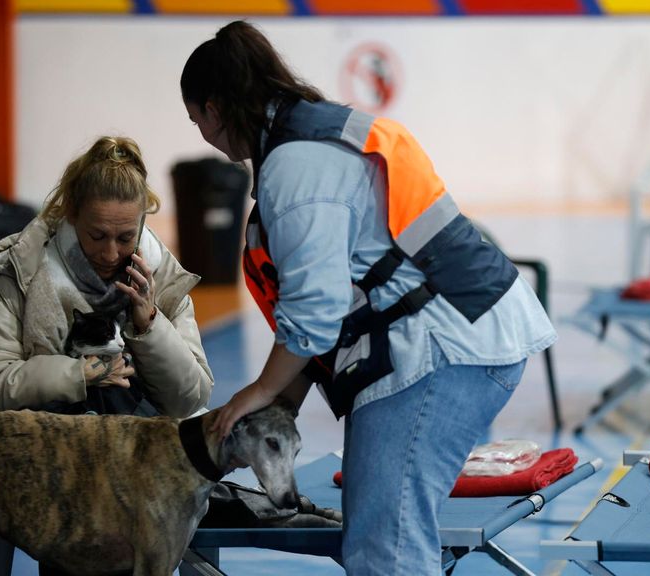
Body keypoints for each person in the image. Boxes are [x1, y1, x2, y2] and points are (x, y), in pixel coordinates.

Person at [180, 21, 556, 575]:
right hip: (466, 333)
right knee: (384, 532)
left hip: (442, 351)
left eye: (198, 122)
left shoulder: (295, 165)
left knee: (387, 548)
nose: (206, 138)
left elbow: (315, 313)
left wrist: (260, 390)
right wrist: (283, 400)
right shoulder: (311, 135)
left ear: (213, 109)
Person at [0, 135, 212, 419]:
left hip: (123, 444)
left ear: (141, 223)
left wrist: (149, 323)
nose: (111, 254)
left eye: (126, 237)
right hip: (30, 444)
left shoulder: (160, 279)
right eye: (97, 236)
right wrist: (79, 374)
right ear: (72, 215)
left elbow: (190, 399)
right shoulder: (17, 273)